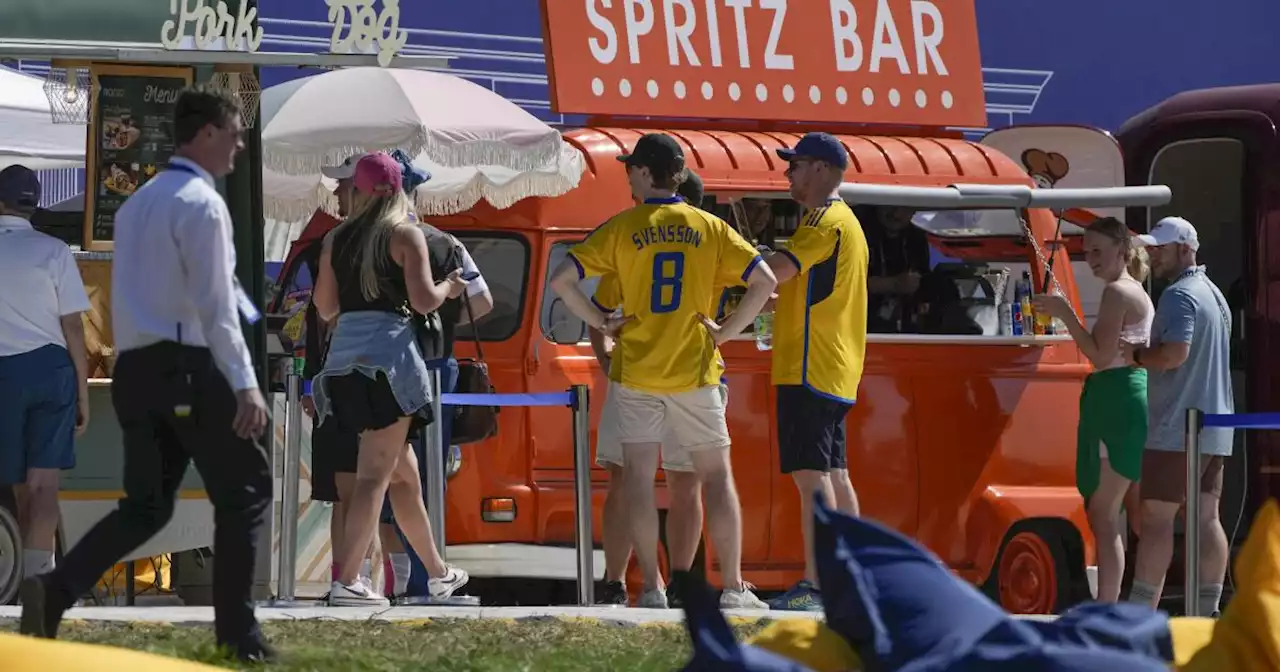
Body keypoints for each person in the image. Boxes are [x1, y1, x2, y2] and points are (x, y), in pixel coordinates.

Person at [20, 85, 274, 662]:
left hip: (137, 368)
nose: (239, 145)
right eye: (234, 133)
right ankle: (239, 636)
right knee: (248, 492)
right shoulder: (204, 205)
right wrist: (247, 385)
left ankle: (56, 590)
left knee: (146, 505)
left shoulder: (136, 203)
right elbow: (215, 306)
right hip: (186, 364)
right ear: (206, 133)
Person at [550, 133, 775, 609]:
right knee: (715, 477)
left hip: (635, 371)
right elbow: (765, 280)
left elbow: (562, 281)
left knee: (636, 480)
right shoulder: (709, 226)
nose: (627, 172)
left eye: (631, 167)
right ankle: (732, 588)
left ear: (647, 173)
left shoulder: (623, 226)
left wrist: (600, 321)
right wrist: (726, 332)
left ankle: (651, 589)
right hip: (694, 369)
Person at [310, 152, 470, 607]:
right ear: (399, 190)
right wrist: (450, 290)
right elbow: (423, 302)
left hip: (342, 367)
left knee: (404, 480)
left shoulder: (335, 239)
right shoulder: (406, 235)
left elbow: (325, 307)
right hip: (389, 367)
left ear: (357, 191)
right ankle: (348, 582)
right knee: (373, 479)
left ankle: (438, 575)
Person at [760, 132, 868, 611]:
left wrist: (733, 264)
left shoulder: (824, 221)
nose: (789, 175)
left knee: (812, 479)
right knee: (835, 476)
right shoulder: (848, 222)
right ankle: (849, 578)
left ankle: (817, 584)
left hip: (810, 366)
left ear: (822, 169)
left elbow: (775, 271)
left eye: (796, 165)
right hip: (835, 368)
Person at [591, 171, 708, 607]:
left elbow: (597, 314)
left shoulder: (632, 244)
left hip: (637, 377)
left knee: (628, 480)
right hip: (692, 378)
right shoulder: (711, 245)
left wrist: (608, 359)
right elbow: (761, 293)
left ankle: (628, 582)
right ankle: (668, 583)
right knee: (683, 482)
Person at [1032, 216, 1153, 602]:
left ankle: (1110, 606)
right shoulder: (1130, 288)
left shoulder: (1117, 292)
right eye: (1087, 251)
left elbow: (1100, 357)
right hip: (1117, 396)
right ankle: (1112, 605)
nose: (1091, 259)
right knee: (1111, 514)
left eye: (1098, 250)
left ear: (1121, 248)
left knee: (1105, 514)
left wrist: (1065, 313)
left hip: (1116, 397)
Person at [1122, 216, 1234, 616]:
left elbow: (1174, 355)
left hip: (1176, 428)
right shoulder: (1215, 296)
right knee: (1206, 518)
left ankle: (1139, 616)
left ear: (1185, 249)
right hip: (1215, 426)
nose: (1153, 256)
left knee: (1155, 519)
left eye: (1161, 249)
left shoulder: (1178, 296)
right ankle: (1208, 611)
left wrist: (1134, 355)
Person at [0, 165, 91, 583]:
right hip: (53, 369)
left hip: (4, 373)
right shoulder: (54, 251)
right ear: (34, 204)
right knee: (44, 485)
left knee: (17, 485)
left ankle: (15, 576)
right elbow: (73, 326)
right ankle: (39, 579)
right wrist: (83, 393)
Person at [863, 206, 930, 333]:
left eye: (905, 207)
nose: (896, 214)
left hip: (907, 324)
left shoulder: (917, 238)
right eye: (890, 205)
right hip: (862, 323)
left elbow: (924, 279)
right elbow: (843, 283)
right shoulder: (858, 233)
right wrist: (892, 284)